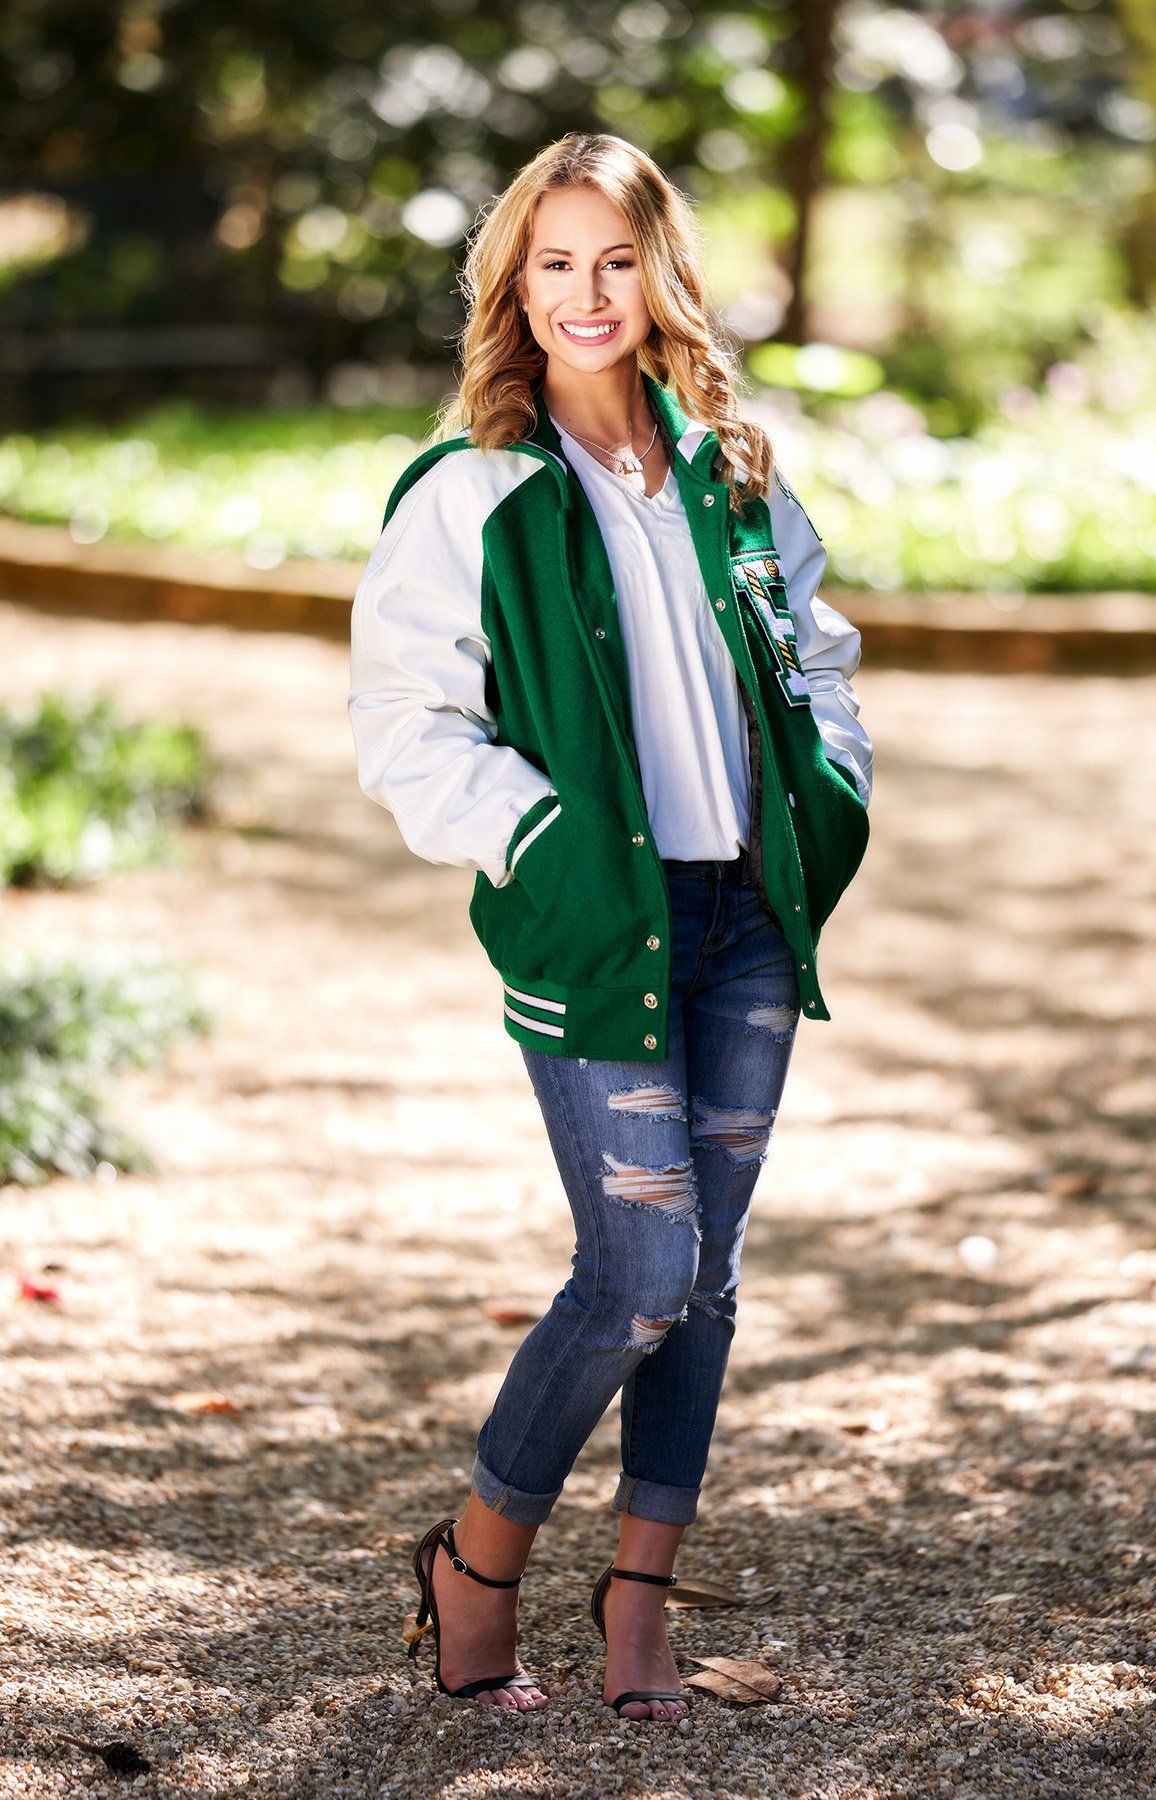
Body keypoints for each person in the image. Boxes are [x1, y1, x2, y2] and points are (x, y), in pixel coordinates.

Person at [347, 132, 873, 1724]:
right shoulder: (475, 492)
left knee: (706, 1280)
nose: (587, 292)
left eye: (618, 260)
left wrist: (831, 789)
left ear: (662, 278)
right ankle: (481, 1563)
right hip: (600, 923)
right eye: (555, 261)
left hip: (747, 926)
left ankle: (637, 1600)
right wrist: (542, 840)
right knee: (643, 1264)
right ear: (516, 277)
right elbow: (405, 722)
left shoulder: (731, 472)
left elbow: (821, 655)